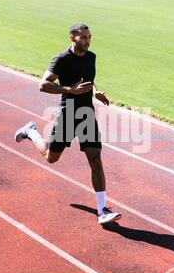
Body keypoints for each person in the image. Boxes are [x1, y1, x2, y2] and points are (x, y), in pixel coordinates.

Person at [14, 23, 122, 225]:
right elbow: (43, 84)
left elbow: (88, 81)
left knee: (95, 159)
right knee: (51, 157)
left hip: (86, 114)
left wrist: (95, 91)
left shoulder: (91, 57)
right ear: (72, 38)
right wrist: (70, 90)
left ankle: (102, 210)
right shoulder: (62, 59)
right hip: (68, 113)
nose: (87, 41)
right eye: (83, 37)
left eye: (89, 37)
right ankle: (31, 132)